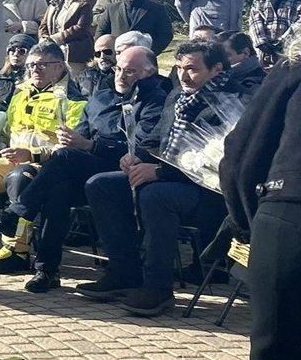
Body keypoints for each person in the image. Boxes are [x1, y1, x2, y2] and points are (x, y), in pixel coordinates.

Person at [0, 46, 170, 292]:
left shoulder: (156, 101)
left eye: (130, 71)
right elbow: (83, 133)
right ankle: (46, 270)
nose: (120, 76)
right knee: (58, 189)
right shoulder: (102, 97)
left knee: (65, 158)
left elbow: (142, 147)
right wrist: (78, 142)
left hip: (125, 167)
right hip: (88, 166)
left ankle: (16, 214)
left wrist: (91, 145)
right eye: (118, 69)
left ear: (149, 72)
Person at [80, 40, 252, 316]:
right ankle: (124, 271)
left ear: (217, 69)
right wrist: (136, 157)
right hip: (171, 178)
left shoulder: (235, 101)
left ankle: (158, 287)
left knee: (155, 196)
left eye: (192, 69)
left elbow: (221, 162)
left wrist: (160, 172)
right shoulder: (177, 96)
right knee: (101, 185)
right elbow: (156, 139)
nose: (183, 75)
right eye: (179, 67)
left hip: (212, 195)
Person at [0, 41, 87, 273]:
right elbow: (9, 131)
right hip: (12, 156)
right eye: (31, 66)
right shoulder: (21, 92)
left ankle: (16, 250)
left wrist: (33, 154)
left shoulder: (72, 99)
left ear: (59, 66)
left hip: (44, 164)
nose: (34, 70)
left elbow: (70, 149)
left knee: (19, 178)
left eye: (41, 65)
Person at [218, 36, 301, 359]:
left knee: (277, 345)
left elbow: (240, 155)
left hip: (287, 215)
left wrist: (247, 221)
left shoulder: (292, 69)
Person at [42, 0, 97, 93]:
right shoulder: (54, 4)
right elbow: (44, 24)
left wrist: (57, 38)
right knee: (53, 83)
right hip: (52, 49)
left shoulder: (83, 5)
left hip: (74, 52)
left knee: (73, 84)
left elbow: (81, 27)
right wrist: (44, 39)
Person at [95, 0, 175, 54]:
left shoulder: (157, 9)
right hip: (117, 56)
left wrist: (150, 51)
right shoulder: (112, 9)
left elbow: (166, 34)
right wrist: (109, 52)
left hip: (144, 58)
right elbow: (101, 32)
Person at [249, 0, 299, 65]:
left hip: (292, 50)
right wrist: (262, 43)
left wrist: (282, 41)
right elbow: (255, 22)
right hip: (264, 53)